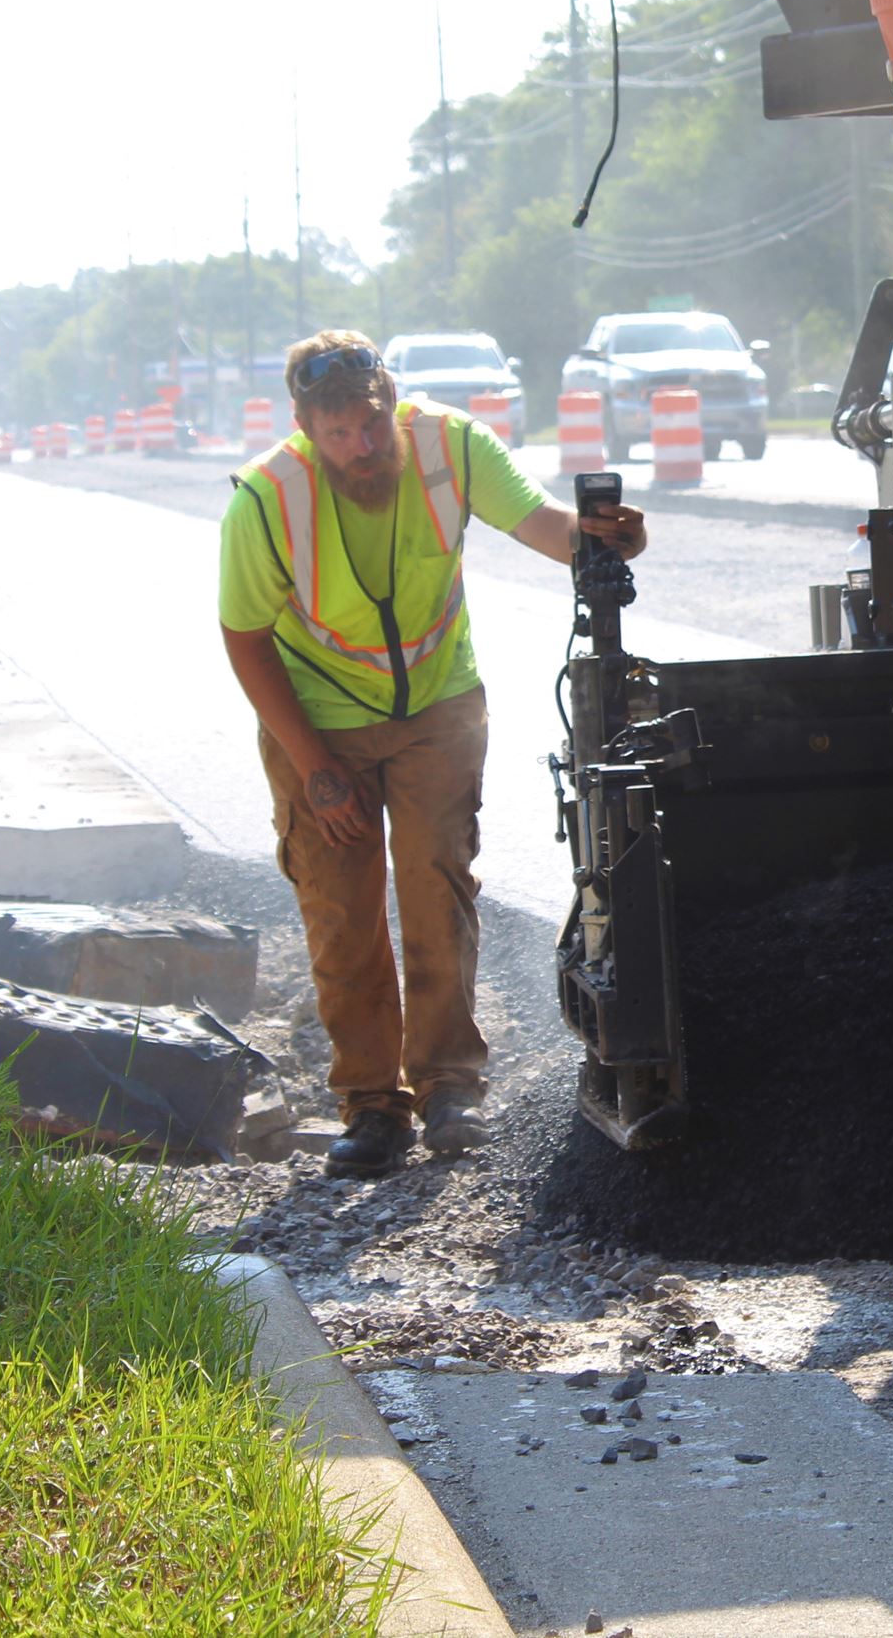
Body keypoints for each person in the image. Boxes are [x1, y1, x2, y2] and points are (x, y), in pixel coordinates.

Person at [219, 330, 647, 1176]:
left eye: (371, 425)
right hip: (318, 717)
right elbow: (245, 640)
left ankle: (449, 1085)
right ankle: (373, 1104)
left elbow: (547, 526)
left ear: (389, 399)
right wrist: (315, 766)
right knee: (342, 911)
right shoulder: (268, 499)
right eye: (338, 434)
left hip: (437, 707)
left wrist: (608, 539)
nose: (362, 447)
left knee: (435, 885)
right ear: (306, 426)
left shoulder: (448, 446)